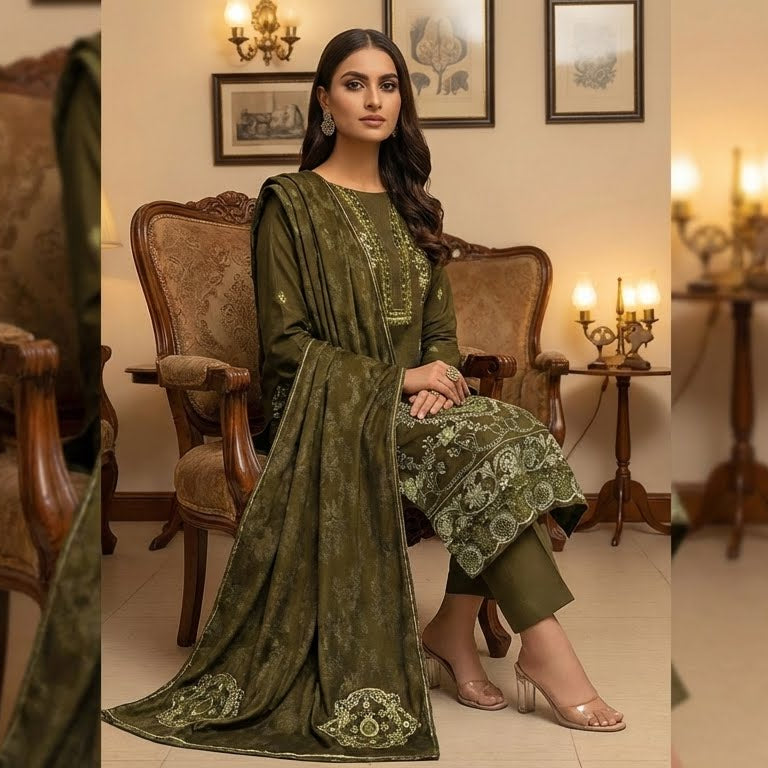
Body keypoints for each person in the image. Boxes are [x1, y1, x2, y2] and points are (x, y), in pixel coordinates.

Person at [102, 28, 624, 761]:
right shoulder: (290, 203)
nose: (373, 98)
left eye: (387, 84)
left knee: (508, 430)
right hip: (326, 412)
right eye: (354, 83)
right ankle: (547, 650)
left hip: (413, 408)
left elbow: (440, 329)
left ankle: (451, 631)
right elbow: (284, 348)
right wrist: (396, 380)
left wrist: (437, 380)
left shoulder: (416, 208)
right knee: (491, 443)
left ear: (401, 100)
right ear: (323, 99)